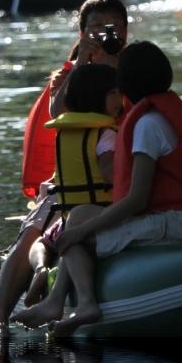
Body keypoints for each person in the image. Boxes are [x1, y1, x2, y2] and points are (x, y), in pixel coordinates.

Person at [15, 40, 182, 335]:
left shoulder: (148, 124)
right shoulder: (160, 113)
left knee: (75, 236)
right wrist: (80, 226)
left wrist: (82, 232)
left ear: (126, 84)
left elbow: (136, 200)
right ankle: (57, 301)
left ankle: (84, 304)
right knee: (77, 216)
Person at [0, 0, 130, 331]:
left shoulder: (134, 68)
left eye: (113, 26)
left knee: (71, 222)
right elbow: (57, 112)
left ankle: (56, 289)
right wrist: (82, 61)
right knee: (32, 234)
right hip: (71, 179)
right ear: (82, 32)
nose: (106, 33)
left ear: (126, 30)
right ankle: (1, 321)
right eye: (96, 27)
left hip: (118, 173)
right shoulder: (69, 72)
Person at [20, 63, 122, 311]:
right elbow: (110, 174)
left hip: (70, 218)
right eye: (113, 93)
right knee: (71, 239)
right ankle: (83, 297)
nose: (119, 99)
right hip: (99, 217)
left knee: (43, 242)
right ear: (94, 95)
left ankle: (41, 269)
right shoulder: (106, 134)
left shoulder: (66, 132)